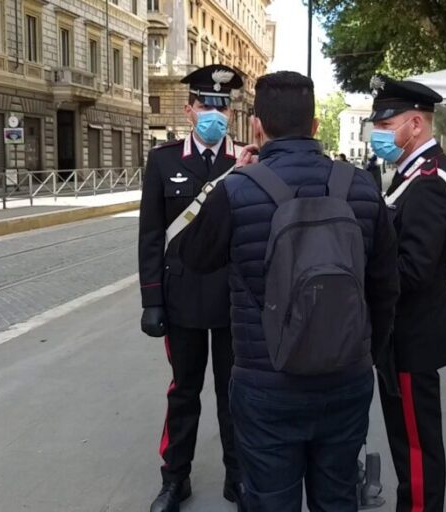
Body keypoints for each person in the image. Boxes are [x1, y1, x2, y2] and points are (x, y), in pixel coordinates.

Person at [178, 71, 400, 511]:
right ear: (316, 126)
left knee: (269, 499)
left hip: (266, 381)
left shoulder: (237, 190)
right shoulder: (361, 187)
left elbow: (194, 257)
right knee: (337, 496)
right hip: (346, 377)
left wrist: (227, 180)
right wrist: (366, 355)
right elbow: (386, 286)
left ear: (257, 126)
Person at [138, 64, 246, 512]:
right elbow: (149, 235)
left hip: (231, 299)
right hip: (181, 299)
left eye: (223, 105)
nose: (214, 113)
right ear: (189, 110)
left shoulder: (245, 161)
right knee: (183, 391)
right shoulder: (163, 160)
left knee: (233, 392)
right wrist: (151, 300)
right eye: (206, 105)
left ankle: (237, 476)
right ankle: (174, 478)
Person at [368, 74, 446, 512]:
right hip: (403, 334)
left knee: (416, 444)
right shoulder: (413, 173)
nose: (380, 135)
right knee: (406, 439)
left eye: (387, 127)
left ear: (415, 124)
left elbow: (413, 269)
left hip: (411, 336)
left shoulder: (429, 181)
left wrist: (363, 272)